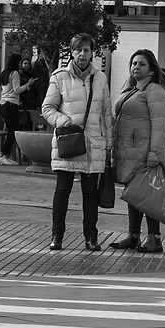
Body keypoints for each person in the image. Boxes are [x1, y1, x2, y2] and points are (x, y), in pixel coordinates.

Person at [43, 34, 110, 251]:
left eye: (87, 50)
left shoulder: (100, 78)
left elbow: (107, 114)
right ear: (71, 52)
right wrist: (64, 121)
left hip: (93, 143)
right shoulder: (59, 77)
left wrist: (109, 144)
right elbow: (47, 108)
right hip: (69, 141)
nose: (83, 54)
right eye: (79, 50)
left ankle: (91, 237)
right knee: (62, 190)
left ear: (92, 53)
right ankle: (57, 236)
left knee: (91, 193)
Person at [108, 48, 165, 253]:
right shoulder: (133, 88)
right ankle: (133, 235)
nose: (136, 67)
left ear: (151, 67)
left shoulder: (155, 90)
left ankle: (154, 238)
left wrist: (155, 152)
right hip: (129, 150)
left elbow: (160, 125)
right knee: (134, 193)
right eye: (134, 63)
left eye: (141, 64)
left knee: (148, 194)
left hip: (143, 151)